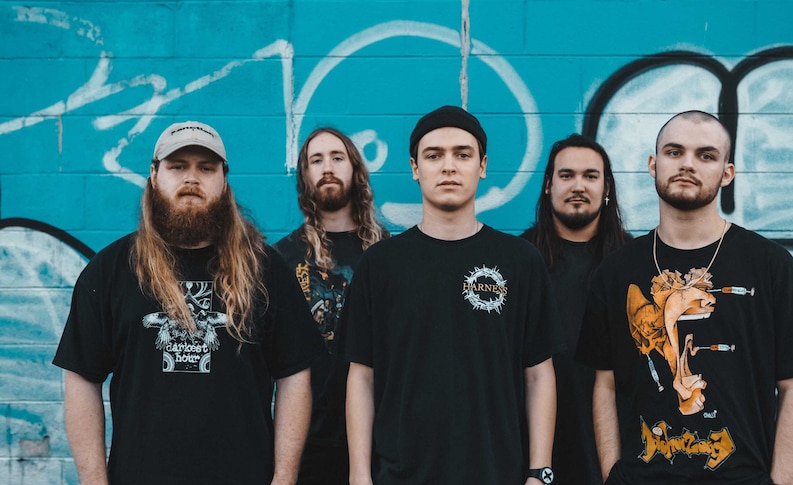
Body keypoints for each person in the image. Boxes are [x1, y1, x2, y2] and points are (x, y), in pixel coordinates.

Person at [53, 121, 324, 484]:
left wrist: (284, 478)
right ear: (154, 174)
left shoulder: (265, 268)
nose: (191, 179)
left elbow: (293, 375)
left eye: (206, 168)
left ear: (224, 180)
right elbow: (81, 379)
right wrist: (94, 481)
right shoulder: (111, 269)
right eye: (178, 166)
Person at [576, 111, 793, 484]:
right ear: (653, 164)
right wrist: (614, 474)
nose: (687, 164)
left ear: (727, 173)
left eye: (706, 155)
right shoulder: (615, 272)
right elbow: (605, 384)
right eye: (674, 152)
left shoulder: (771, 266)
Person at [342, 105, 565, 485]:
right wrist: (360, 476)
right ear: (415, 168)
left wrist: (539, 473)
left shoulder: (519, 261)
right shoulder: (380, 264)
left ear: (482, 166)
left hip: (498, 473)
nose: (448, 166)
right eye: (434, 155)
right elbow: (362, 377)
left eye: (462, 154)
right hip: (400, 474)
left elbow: (539, 375)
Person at [274, 127, 389, 484]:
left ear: (355, 170)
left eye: (337, 158)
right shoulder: (281, 258)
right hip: (308, 443)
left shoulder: (390, 255)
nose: (327, 168)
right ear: (304, 176)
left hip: (380, 439)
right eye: (316, 160)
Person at [521, 133, 630, 485]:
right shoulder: (518, 259)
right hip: (531, 451)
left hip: (613, 446)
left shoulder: (634, 262)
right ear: (548, 185)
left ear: (607, 187)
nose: (578, 186)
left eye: (591, 176)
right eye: (566, 175)